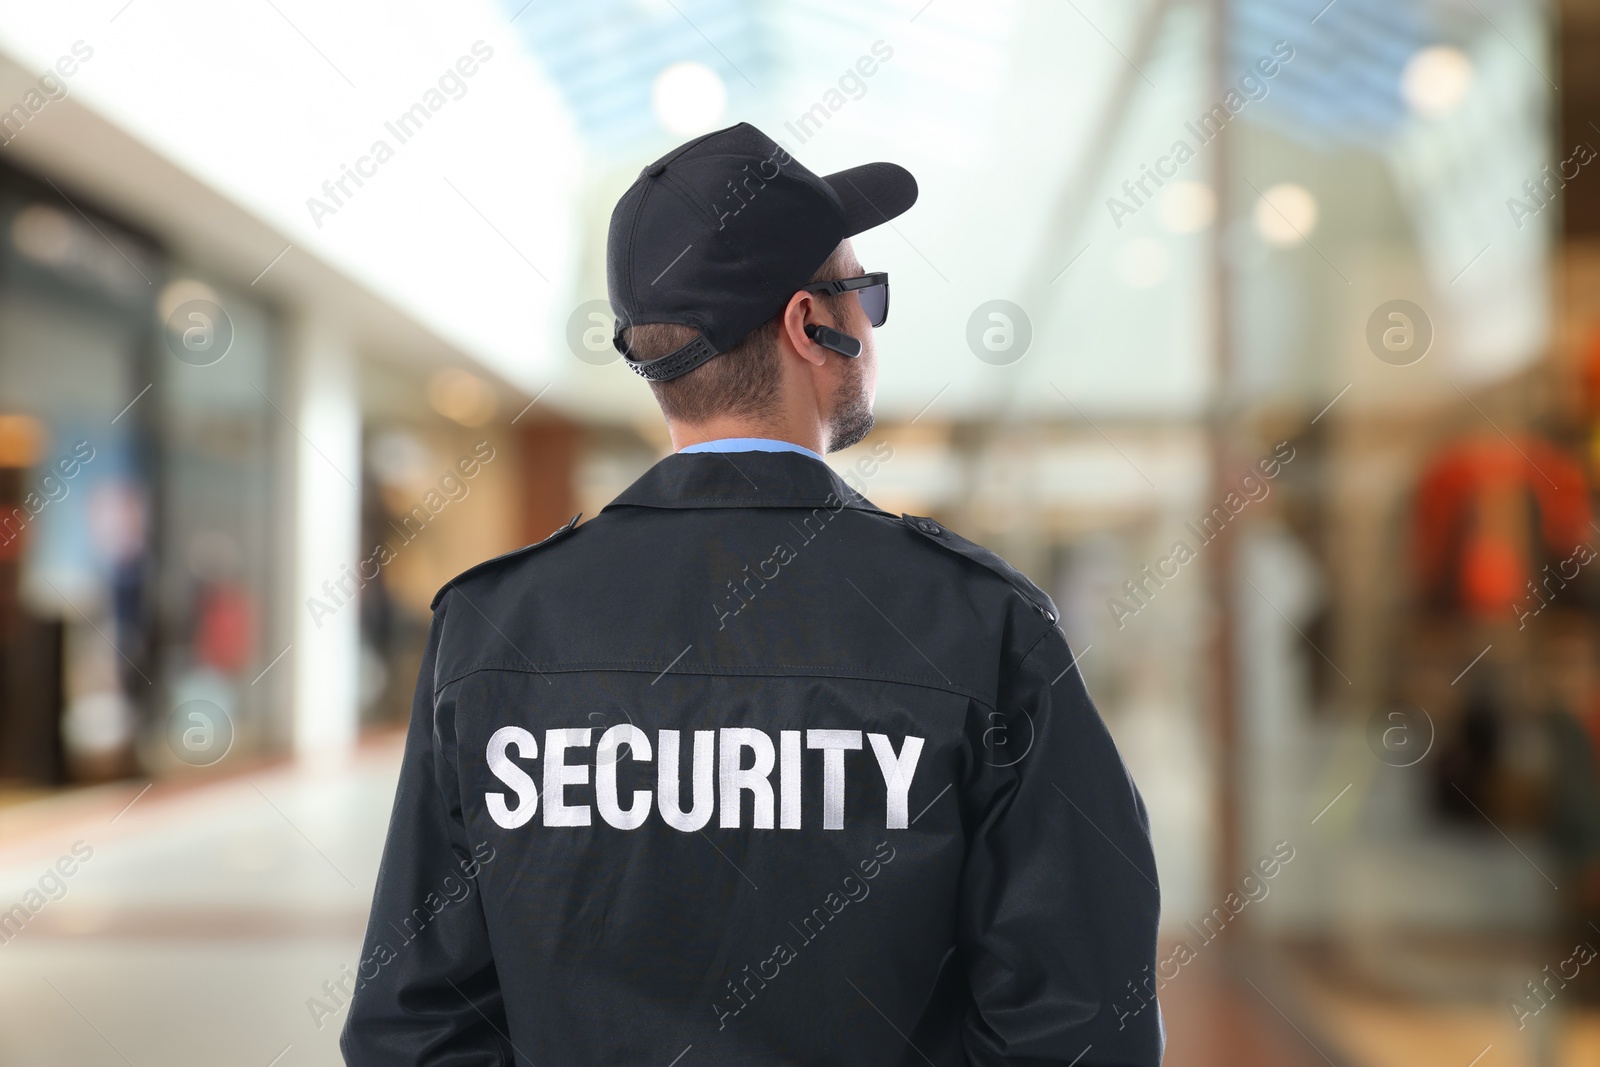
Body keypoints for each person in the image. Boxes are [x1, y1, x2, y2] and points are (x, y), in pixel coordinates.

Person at [342, 122, 1162, 1066]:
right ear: (809, 324)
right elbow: (1083, 1024)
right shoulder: (979, 624)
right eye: (866, 295)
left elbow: (414, 1026)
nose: (868, 325)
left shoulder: (493, 624)